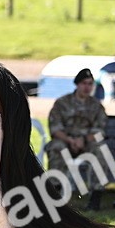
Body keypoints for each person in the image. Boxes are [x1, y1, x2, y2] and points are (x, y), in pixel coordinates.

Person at [45, 68, 109, 210]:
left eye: (90, 84)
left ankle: (95, 197)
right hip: (65, 141)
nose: (87, 87)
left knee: (100, 149)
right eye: (84, 83)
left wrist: (83, 140)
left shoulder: (96, 106)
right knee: (56, 147)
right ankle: (55, 193)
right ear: (77, 84)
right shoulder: (62, 103)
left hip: (87, 143)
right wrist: (70, 140)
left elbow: (100, 130)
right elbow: (55, 129)